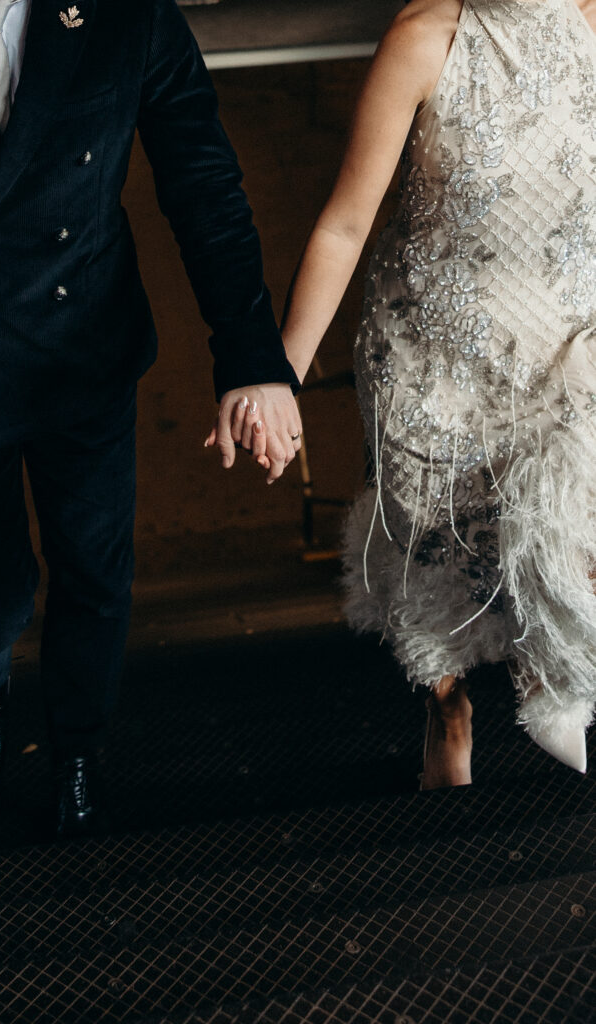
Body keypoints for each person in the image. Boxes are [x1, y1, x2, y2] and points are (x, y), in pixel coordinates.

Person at [0, 0, 303, 836]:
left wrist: (251, 361)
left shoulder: (129, 14)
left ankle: (78, 759)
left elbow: (202, 182)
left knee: (93, 574)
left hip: (81, 345)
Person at [281, 0, 595, 788]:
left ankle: (551, 667)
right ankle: (445, 707)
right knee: (435, 553)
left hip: (566, 337)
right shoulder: (424, 37)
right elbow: (343, 227)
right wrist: (277, 374)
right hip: (434, 353)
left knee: (569, 514)